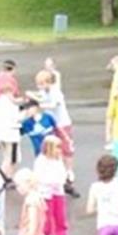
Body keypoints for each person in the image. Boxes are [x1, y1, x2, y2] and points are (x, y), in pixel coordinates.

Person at [33, 68, 78, 197]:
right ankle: (57, 173)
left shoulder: (56, 92)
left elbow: (54, 105)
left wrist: (41, 105)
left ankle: (69, 171)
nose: (40, 87)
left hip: (62, 124)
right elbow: (38, 96)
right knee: (52, 148)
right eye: (38, 84)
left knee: (66, 148)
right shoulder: (43, 92)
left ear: (49, 83)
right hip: (51, 125)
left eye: (42, 84)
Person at [35, 135, 71, 235]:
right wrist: (52, 182)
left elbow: (62, 173)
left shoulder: (58, 159)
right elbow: (39, 177)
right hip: (45, 193)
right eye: (57, 147)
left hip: (58, 192)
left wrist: (63, 179)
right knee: (46, 220)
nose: (59, 150)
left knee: (60, 217)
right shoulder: (41, 161)